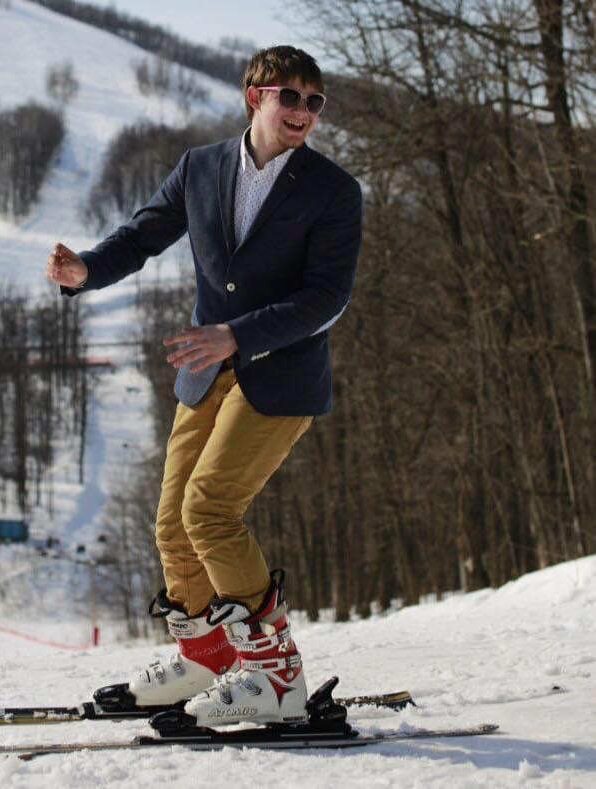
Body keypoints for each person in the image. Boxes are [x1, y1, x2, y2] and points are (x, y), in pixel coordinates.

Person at [46, 46, 362, 728]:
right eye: (291, 97)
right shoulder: (202, 166)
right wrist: (86, 272)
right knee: (171, 524)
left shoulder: (332, 189)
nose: (304, 111)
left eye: (315, 101)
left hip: (278, 375)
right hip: (205, 371)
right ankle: (207, 658)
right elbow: (142, 235)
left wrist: (237, 334)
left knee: (209, 511)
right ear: (256, 96)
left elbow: (327, 298)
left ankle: (276, 676)